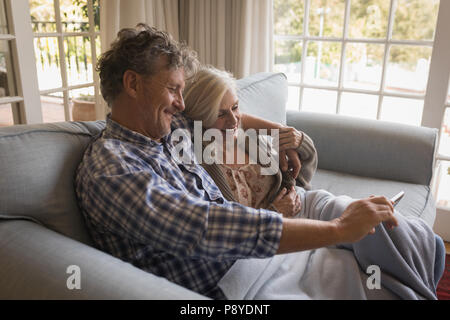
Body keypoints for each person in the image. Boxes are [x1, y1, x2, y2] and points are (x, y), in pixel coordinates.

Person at [74, 23, 441, 300]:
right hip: (235, 285)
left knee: (401, 245)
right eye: (173, 89)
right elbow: (203, 226)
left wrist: (280, 135)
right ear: (133, 85)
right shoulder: (112, 168)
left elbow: (224, 115)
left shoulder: (166, 130)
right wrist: (339, 230)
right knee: (377, 287)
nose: (181, 104)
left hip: (260, 259)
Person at [181, 66, 447, 299]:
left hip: (307, 205)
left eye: (236, 107)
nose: (233, 120)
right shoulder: (201, 161)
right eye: (220, 114)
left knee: (388, 227)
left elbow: (300, 173)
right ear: (201, 117)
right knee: (350, 279)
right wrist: (276, 214)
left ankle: (419, 281)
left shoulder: (246, 135)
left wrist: (293, 140)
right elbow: (228, 229)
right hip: (272, 234)